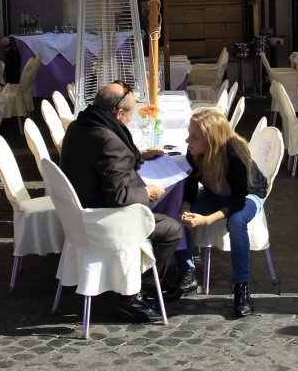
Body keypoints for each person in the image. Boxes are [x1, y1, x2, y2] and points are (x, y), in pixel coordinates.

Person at [59, 82, 184, 323]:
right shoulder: (109, 141)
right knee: (172, 229)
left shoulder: (78, 126)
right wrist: (147, 192)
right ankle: (132, 295)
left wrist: (139, 154)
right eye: (130, 116)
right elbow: (119, 197)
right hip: (102, 220)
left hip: (77, 216)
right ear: (118, 113)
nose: (129, 122)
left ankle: (126, 284)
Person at [176, 110, 269, 317]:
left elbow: (237, 201)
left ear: (211, 139)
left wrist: (207, 220)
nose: (187, 140)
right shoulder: (194, 152)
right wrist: (186, 206)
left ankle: (241, 287)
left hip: (247, 195)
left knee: (236, 222)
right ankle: (187, 271)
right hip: (214, 193)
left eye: (194, 136)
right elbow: (190, 183)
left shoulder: (234, 156)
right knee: (177, 213)